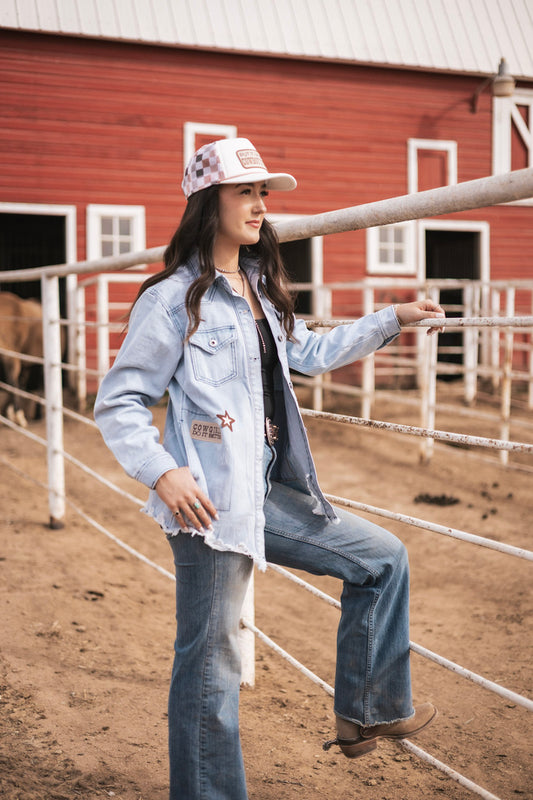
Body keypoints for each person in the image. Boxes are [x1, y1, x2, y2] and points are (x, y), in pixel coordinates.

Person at [94, 137, 444, 800]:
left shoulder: (254, 285)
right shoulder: (171, 300)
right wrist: (162, 471)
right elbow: (119, 401)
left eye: (262, 194)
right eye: (243, 192)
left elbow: (307, 351)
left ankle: (365, 709)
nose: (259, 206)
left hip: (262, 488)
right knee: (211, 663)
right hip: (205, 499)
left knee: (381, 558)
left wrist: (389, 318)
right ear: (207, 202)